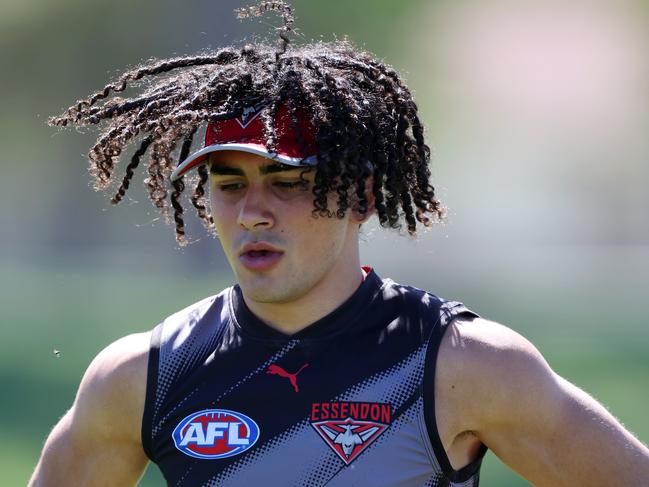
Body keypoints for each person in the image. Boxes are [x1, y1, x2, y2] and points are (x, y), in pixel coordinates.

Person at [30, 2, 649, 486]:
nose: (252, 212)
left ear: (362, 196)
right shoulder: (145, 375)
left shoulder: (463, 364)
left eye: (288, 182)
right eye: (229, 184)